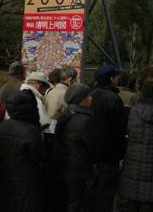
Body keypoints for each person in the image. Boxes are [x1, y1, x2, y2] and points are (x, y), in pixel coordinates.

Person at [119, 78, 153, 212]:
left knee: (132, 201)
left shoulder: (133, 110)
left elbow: (128, 131)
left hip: (133, 158)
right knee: (150, 201)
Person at [54, 83, 101, 212]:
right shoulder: (85, 120)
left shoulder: (66, 114)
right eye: (88, 96)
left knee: (68, 200)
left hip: (65, 163)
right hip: (79, 167)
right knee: (77, 202)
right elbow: (93, 147)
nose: (91, 98)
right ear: (80, 100)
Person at [0, 90, 43, 212]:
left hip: (7, 174)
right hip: (26, 177)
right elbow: (38, 157)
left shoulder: (3, 126)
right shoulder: (31, 131)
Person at [90, 65, 127, 211]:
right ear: (111, 79)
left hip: (92, 150)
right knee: (107, 190)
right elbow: (119, 128)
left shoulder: (91, 95)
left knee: (93, 188)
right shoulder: (114, 99)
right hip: (109, 152)